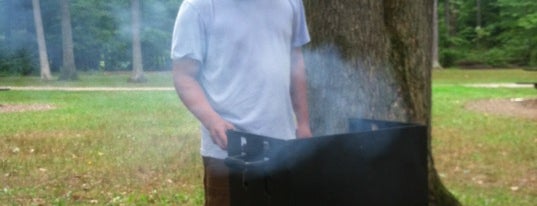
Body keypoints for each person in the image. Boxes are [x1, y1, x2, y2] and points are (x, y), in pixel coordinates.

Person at [171, 0, 312, 205]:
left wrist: (304, 123)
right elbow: (184, 76)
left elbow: (296, 63)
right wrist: (213, 121)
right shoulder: (199, 6)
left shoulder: (291, 2)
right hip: (228, 153)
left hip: (283, 146)